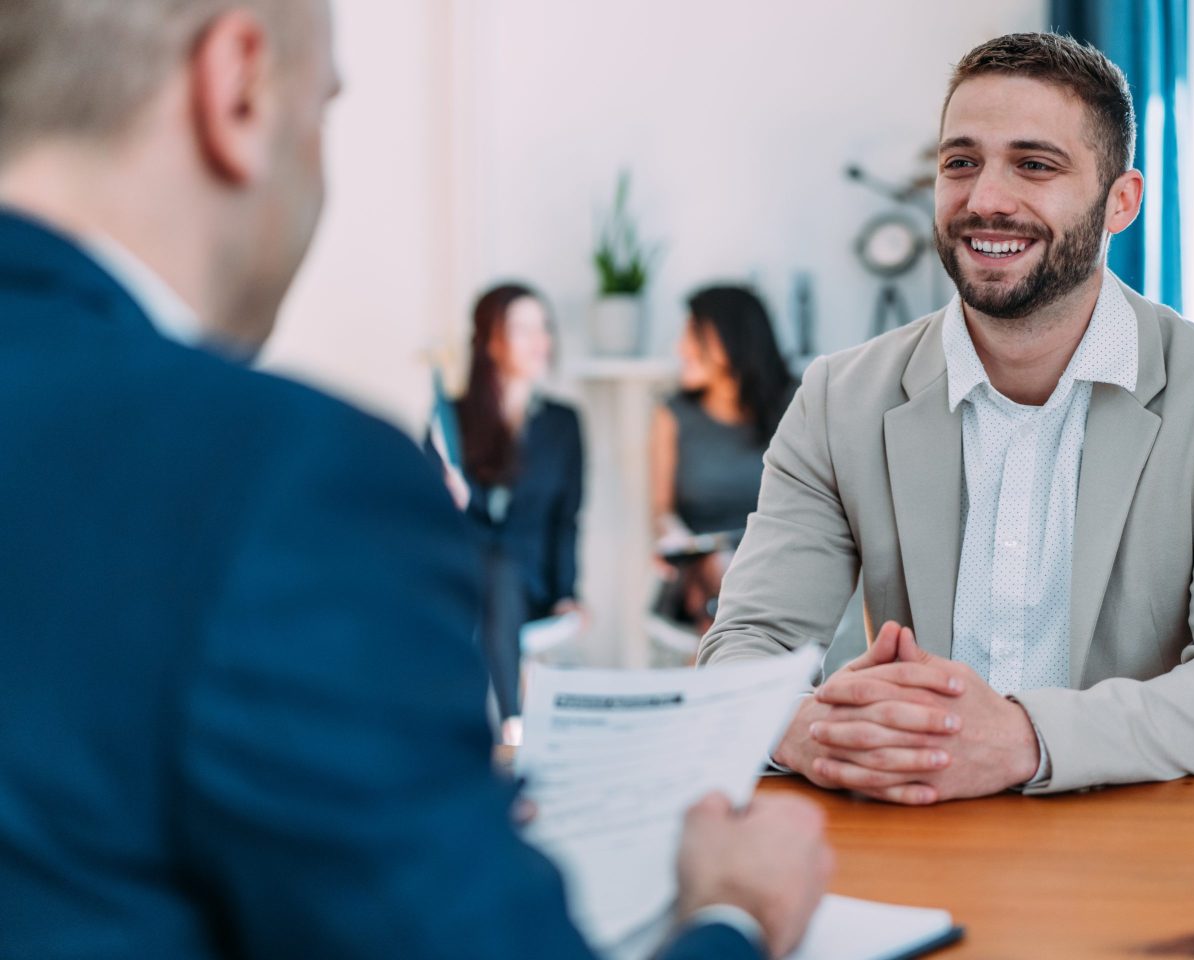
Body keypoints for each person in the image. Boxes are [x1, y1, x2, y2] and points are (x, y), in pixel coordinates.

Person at [0, 2, 831, 958]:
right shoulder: (283, 476)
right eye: (324, 110)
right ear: (236, 84)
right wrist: (734, 914)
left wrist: (413, 801)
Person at [699, 32, 1194, 804]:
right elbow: (743, 650)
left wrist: (1024, 740)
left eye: (1034, 165)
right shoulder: (838, 399)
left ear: (1121, 201)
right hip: (916, 841)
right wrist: (812, 729)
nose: (985, 198)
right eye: (961, 162)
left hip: (1142, 852)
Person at [449, 283, 584, 724]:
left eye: (543, 328)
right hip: (467, 579)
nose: (540, 341)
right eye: (523, 330)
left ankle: (509, 723)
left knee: (503, 571)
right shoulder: (450, 420)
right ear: (490, 341)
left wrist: (567, 591)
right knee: (489, 570)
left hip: (532, 582)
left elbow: (567, 519)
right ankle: (512, 721)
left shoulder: (563, 424)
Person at [650, 286, 795, 632]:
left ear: (729, 339)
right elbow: (661, 511)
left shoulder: (799, 404)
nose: (679, 348)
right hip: (699, 575)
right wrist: (677, 541)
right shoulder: (673, 415)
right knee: (715, 570)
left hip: (780, 568)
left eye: (692, 334)